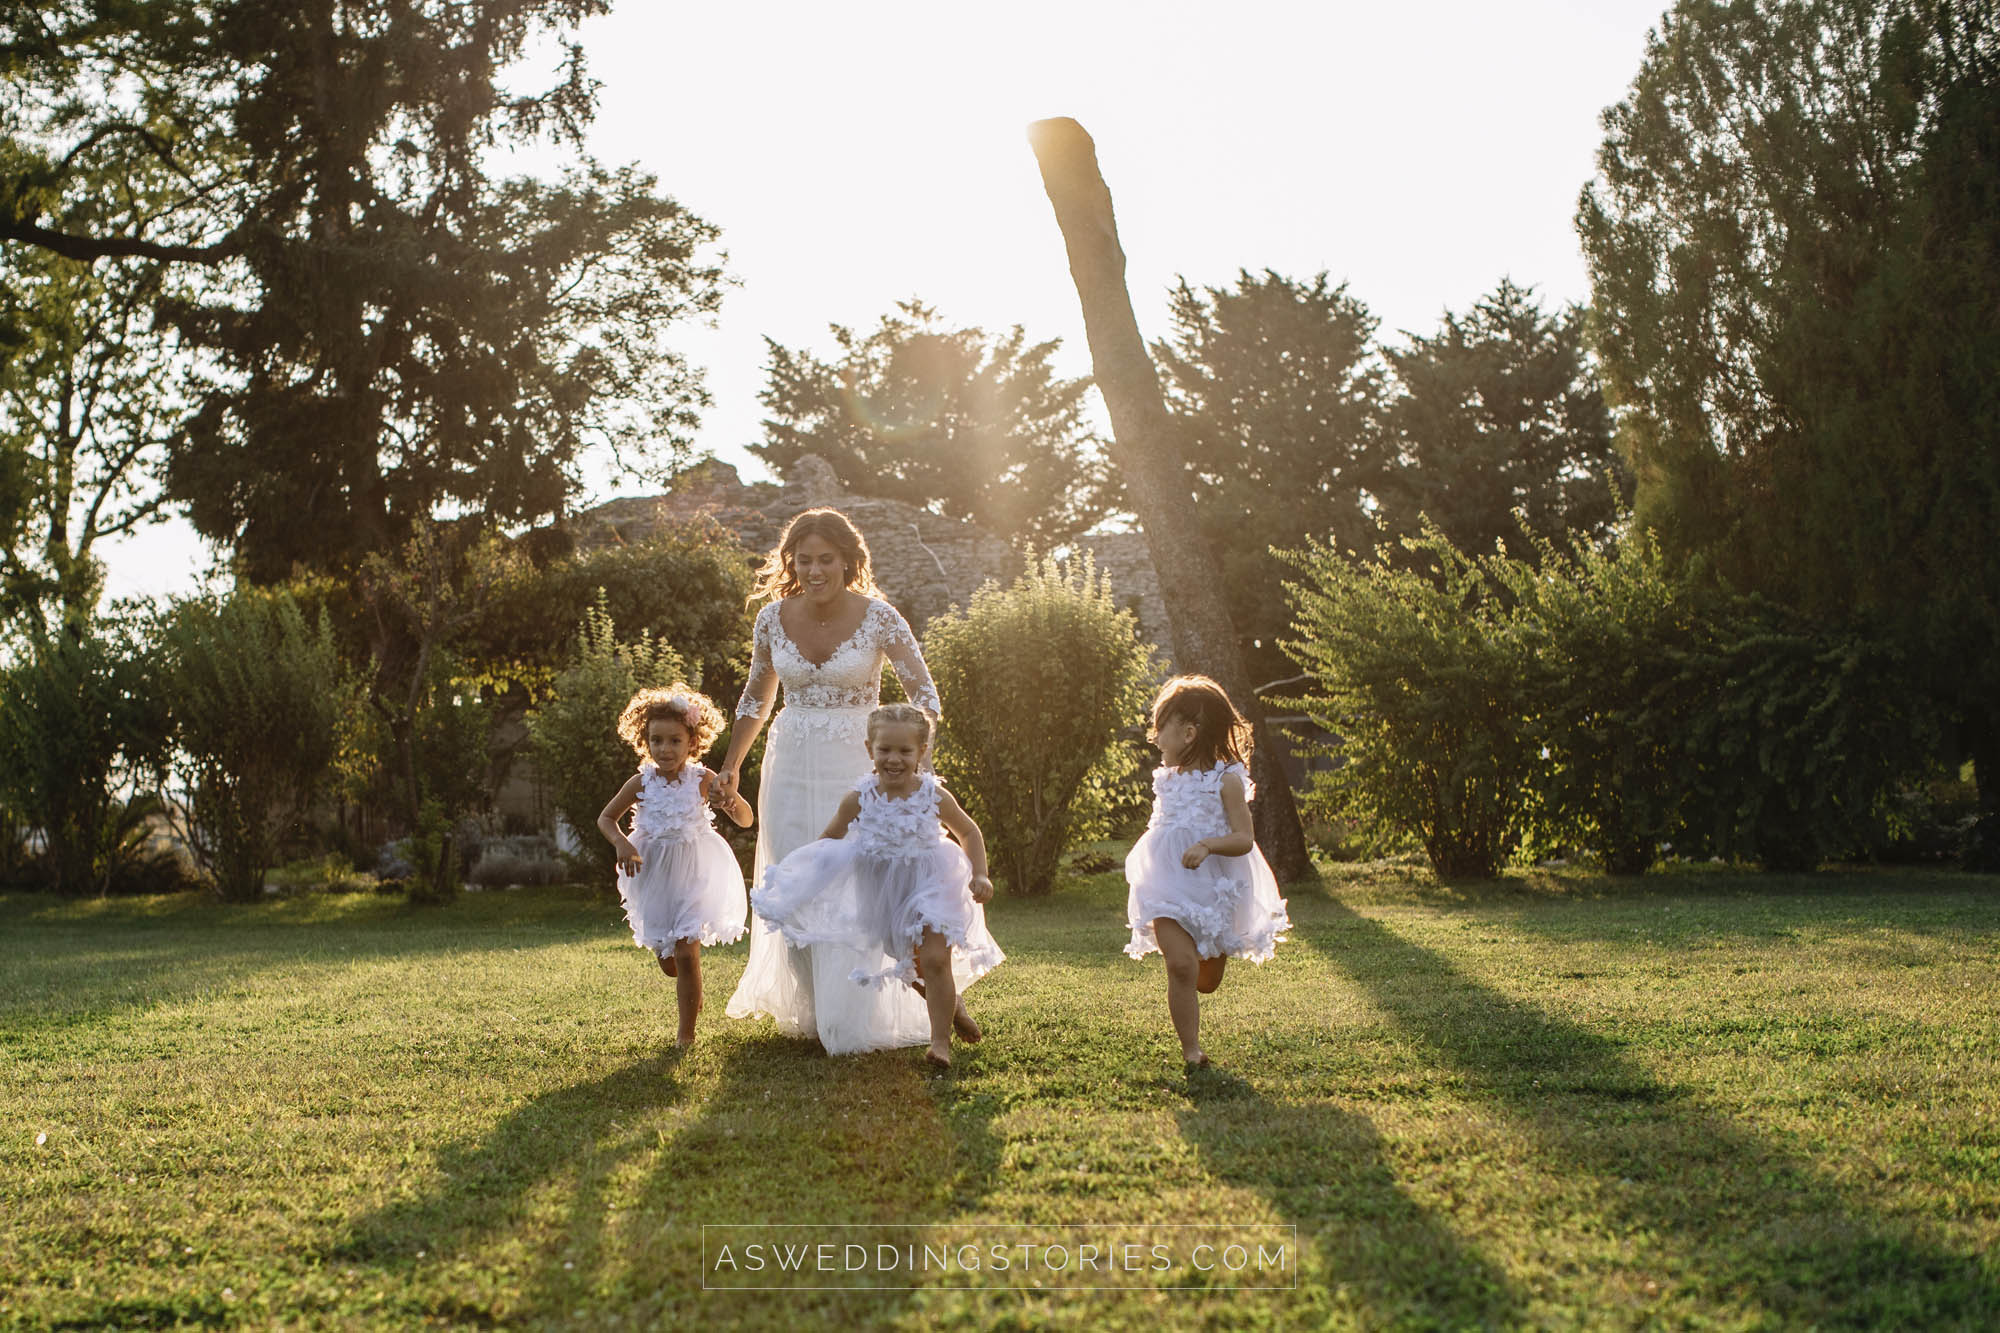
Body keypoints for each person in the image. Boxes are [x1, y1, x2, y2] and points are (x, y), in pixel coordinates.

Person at [711, 508, 952, 1053]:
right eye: (804, 560)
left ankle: (863, 1011)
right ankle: (818, 1012)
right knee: (796, 871)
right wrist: (732, 765)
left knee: (863, 880)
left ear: (847, 560)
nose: (815, 570)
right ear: (790, 563)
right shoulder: (772, 618)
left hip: (859, 763)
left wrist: (910, 763)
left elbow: (926, 697)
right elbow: (756, 698)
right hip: (790, 759)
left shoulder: (881, 617)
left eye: (826, 559)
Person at [752, 704, 1003, 1068]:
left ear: (922, 752)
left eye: (905, 751)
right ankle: (954, 1005)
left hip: (932, 883)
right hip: (882, 893)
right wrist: (805, 876)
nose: (894, 759)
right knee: (909, 964)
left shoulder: (932, 795)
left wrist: (980, 874)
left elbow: (968, 831)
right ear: (869, 749)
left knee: (934, 959)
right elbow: (829, 840)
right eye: (885, 749)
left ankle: (940, 1043)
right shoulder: (859, 797)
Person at [1123, 674, 1291, 1067]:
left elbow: (1244, 838)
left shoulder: (1226, 780)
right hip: (1164, 882)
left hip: (1212, 887)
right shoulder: (1165, 778)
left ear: (1189, 733)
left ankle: (1200, 966)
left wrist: (1206, 845)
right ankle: (1191, 1050)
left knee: (1207, 981)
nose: (1155, 736)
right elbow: (1164, 831)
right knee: (1180, 965)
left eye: (1160, 727)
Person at [596, 685, 751, 1049]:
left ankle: (686, 1034)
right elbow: (605, 818)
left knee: (686, 951)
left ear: (691, 742)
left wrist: (730, 799)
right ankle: (684, 982)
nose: (665, 749)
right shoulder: (640, 783)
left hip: (696, 870)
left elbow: (745, 819)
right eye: (657, 740)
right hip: (653, 873)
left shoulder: (703, 780)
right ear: (645, 741)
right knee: (670, 960)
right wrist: (622, 842)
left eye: (675, 741)